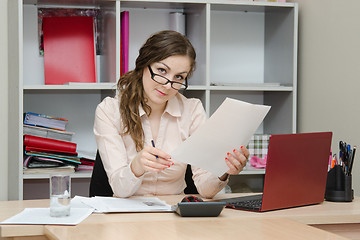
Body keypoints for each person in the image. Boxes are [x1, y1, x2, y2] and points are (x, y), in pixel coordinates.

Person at [94, 30, 249, 198]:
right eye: (161, 70)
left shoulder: (192, 110)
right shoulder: (109, 111)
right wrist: (137, 165)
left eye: (179, 77)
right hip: (127, 215)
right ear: (143, 65)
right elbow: (119, 189)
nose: (168, 85)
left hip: (175, 214)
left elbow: (205, 189)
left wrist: (223, 170)